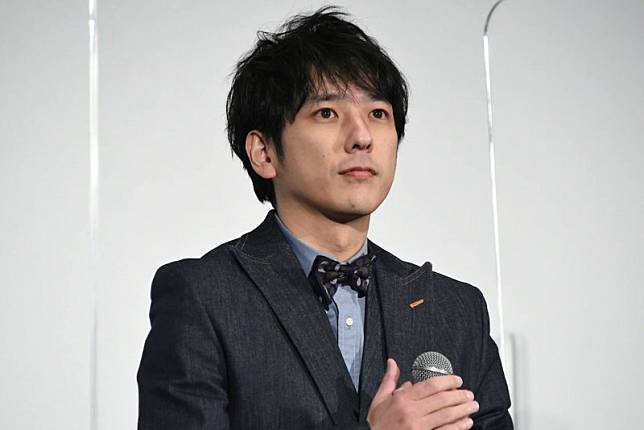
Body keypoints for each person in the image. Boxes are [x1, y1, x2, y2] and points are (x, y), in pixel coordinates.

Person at [137, 6, 513, 429]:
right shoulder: (204, 296)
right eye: (327, 113)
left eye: (378, 113)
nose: (362, 137)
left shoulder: (456, 309)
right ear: (264, 152)